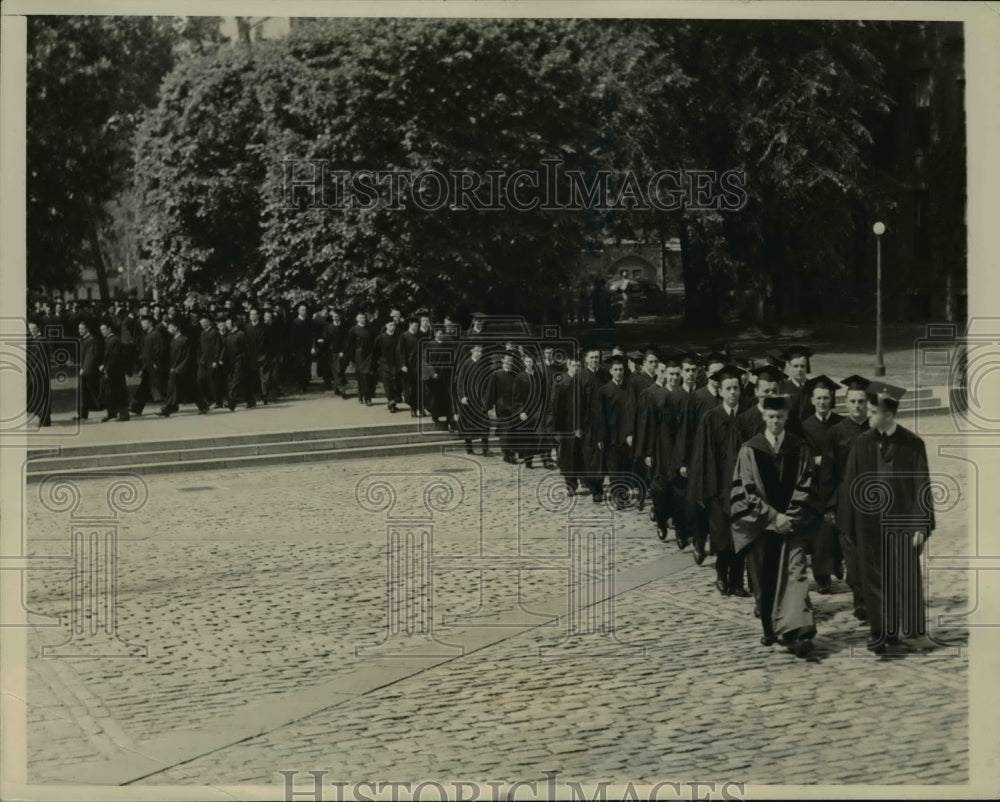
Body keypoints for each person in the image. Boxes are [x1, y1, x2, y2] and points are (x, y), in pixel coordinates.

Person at [837, 381, 935, 654]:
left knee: (903, 577)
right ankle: (882, 633)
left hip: (902, 524)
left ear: (888, 414)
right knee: (875, 579)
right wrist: (849, 525)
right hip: (870, 525)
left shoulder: (913, 444)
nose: (867, 415)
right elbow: (850, 484)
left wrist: (920, 525)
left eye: (872, 411)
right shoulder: (862, 442)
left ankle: (911, 630)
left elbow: (921, 486)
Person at [731, 395, 822, 657]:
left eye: (780, 417)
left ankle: (800, 630)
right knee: (764, 579)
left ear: (786, 418)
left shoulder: (800, 447)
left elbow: (806, 484)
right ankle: (770, 628)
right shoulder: (750, 449)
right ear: (763, 417)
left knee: (796, 575)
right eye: (771, 417)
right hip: (762, 527)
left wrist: (790, 517)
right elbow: (745, 491)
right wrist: (772, 517)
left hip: (792, 526)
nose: (775, 421)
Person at [687, 365, 748, 596]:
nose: (733, 392)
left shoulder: (747, 416)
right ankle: (722, 576)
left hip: (742, 486)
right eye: (728, 388)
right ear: (720, 391)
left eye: (736, 388)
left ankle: (738, 581)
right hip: (718, 488)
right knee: (722, 535)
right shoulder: (711, 418)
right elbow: (702, 456)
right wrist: (705, 490)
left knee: (741, 534)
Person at [821, 375, 872, 620]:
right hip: (845, 502)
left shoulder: (877, 429)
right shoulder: (836, 432)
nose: (857, 406)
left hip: (873, 503)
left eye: (861, 401)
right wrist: (829, 506)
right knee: (851, 552)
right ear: (845, 402)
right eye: (852, 401)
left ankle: (871, 596)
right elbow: (828, 472)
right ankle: (859, 599)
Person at [799, 375, 844, 594]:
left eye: (826, 398)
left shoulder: (841, 423)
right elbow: (802, 455)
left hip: (838, 483)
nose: (822, 402)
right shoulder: (805, 426)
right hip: (815, 486)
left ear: (832, 399)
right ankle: (822, 575)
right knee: (820, 532)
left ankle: (837, 563)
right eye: (818, 398)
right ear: (812, 400)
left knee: (839, 528)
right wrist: (815, 460)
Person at [637, 360, 674, 541]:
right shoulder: (652, 395)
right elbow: (648, 426)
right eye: (663, 370)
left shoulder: (681, 394)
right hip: (659, 447)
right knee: (660, 488)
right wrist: (648, 451)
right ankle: (661, 519)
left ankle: (677, 522)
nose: (666, 374)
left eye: (671, 372)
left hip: (677, 448)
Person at [593, 355, 635, 509]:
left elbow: (633, 412)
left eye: (621, 370)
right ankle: (617, 496)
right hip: (610, 436)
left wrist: (631, 432)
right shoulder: (604, 391)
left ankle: (623, 494)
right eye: (616, 370)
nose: (618, 372)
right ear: (610, 371)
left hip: (626, 435)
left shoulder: (629, 389)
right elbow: (599, 415)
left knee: (625, 466)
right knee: (613, 467)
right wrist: (601, 437)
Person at [158, 318, 209, 416]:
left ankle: (169, 408)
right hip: (176, 369)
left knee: (189, 389)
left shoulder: (184, 340)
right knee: (180, 388)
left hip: (184, 370)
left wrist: (178, 369)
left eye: (170, 327)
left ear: (176, 328)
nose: (169, 329)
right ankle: (170, 408)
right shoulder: (173, 340)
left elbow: (188, 356)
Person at [552, 354, 585, 494]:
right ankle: (570, 484)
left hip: (582, 424)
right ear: (568, 365)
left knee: (581, 454)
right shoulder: (562, 381)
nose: (576, 368)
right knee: (569, 455)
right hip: (567, 425)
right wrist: (557, 430)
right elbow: (556, 407)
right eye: (573, 365)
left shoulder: (583, 380)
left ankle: (583, 479)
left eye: (578, 366)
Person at [579, 348, 606, 502]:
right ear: (586, 359)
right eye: (592, 357)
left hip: (603, 422)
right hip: (587, 423)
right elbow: (575, 403)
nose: (595, 360)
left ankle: (599, 484)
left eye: (597, 357)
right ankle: (596, 488)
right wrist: (577, 426)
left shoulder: (604, 375)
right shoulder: (581, 377)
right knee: (591, 456)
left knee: (601, 455)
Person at [454, 343, 491, 455]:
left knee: (484, 424)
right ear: (472, 352)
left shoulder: (482, 365)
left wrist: (487, 398)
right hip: (469, 400)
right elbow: (460, 382)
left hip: (480, 400)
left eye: (481, 351)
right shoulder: (466, 364)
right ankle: (469, 448)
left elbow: (486, 382)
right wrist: (462, 396)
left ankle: (485, 448)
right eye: (477, 351)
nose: (480, 353)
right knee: (469, 425)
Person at [735, 364, 786, 443]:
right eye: (766, 391)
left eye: (774, 391)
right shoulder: (743, 420)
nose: (771, 395)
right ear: (756, 392)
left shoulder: (788, 418)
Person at [512, 352, 546, 467]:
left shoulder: (539, 376)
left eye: (531, 362)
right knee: (527, 437)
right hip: (526, 412)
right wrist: (521, 411)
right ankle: (528, 461)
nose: (529, 364)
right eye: (527, 362)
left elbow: (542, 393)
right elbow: (516, 397)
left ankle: (541, 459)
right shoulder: (520, 377)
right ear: (524, 362)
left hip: (537, 411)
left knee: (538, 436)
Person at [129, 315, 166, 416]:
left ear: (150, 323)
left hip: (153, 365)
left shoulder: (156, 334)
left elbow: (159, 350)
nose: (143, 325)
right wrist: (143, 366)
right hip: (147, 366)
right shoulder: (146, 335)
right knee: (144, 387)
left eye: (145, 323)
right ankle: (137, 408)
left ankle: (168, 406)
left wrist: (156, 363)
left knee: (158, 386)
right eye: (142, 323)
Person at [490, 350, 520, 463]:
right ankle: (508, 454)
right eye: (507, 360)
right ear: (502, 361)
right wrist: (490, 407)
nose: (509, 363)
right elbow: (491, 391)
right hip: (502, 408)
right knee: (505, 431)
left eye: (511, 361)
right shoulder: (496, 375)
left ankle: (510, 453)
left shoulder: (514, 375)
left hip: (514, 408)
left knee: (512, 431)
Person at [221, 315, 255, 410]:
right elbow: (226, 349)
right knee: (243, 382)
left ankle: (232, 403)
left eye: (228, 323)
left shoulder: (241, 334)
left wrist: (246, 362)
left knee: (235, 382)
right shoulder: (228, 335)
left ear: (233, 323)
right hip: (232, 363)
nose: (226, 325)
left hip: (240, 361)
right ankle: (251, 401)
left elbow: (247, 349)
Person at [777, 346, 814, 434]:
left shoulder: (814, 387)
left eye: (802, 366)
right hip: (790, 436)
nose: (799, 369)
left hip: (812, 435)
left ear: (806, 367)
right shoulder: (781, 388)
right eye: (795, 366)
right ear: (789, 366)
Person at [98, 320, 129, 422]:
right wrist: (104, 365)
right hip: (113, 370)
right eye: (101, 330)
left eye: (104, 329)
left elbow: (114, 358)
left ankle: (124, 415)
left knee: (118, 392)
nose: (102, 331)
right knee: (110, 393)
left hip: (116, 372)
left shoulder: (113, 340)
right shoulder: (109, 340)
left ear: (109, 329)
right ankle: (112, 413)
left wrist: (106, 369)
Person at [346, 312, 376, 406]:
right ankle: (361, 394)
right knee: (361, 377)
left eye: (364, 317)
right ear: (357, 319)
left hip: (369, 356)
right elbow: (350, 345)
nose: (363, 319)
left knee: (369, 377)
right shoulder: (353, 330)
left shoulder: (370, 328)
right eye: (361, 317)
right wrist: (351, 360)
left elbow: (374, 342)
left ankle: (368, 397)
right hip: (359, 356)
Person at [26, 320, 52, 427]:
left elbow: (42, 359)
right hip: (34, 372)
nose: (32, 331)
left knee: (41, 396)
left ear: (38, 329)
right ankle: (44, 419)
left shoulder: (41, 341)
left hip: (40, 373)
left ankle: (45, 420)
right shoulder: (34, 339)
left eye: (34, 329)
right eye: (30, 329)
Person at [74, 320, 102, 421]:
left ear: (87, 329)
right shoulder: (84, 339)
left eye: (82, 329)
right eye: (79, 329)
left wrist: (84, 369)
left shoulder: (91, 340)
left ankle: (112, 410)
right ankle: (82, 414)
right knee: (83, 393)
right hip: (85, 369)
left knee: (91, 393)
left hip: (88, 371)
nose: (80, 331)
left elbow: (90, 357)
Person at [373, 320, 402, 412]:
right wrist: (377, 362)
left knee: (396, 384)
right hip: (384, 364)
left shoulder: (398, 337)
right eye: (390, 325)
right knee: (387, 384)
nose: (392, 327)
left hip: (396, 364)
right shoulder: (380, 338)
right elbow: (375, 352)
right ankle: (391, 402)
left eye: (394, 325)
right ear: (386, 325)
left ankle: (393, 402)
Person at [196, 315, 224, 409]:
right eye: (201, 323)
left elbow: (217, 347)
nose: (202, 324)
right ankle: (209, 400)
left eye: (204, 322)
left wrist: (215, 360)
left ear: (209, 322)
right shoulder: (202, 333)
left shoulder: (214, 333)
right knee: (200, 380)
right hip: (203, 360)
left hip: (212, 360)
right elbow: (199, 347)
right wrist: (199, 359)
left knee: (213, 382)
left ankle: (216, 401)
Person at [397, 318, 422, 416]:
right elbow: (401, 352)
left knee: (419, 387)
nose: (416, 328)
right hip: (409, 365)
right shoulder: (404, 336)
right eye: (414, 326)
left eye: (417, 326)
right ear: (410, 324)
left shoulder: (420, 335)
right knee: (410, 388)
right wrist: (403, 364)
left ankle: (420, 407)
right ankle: (413, 407)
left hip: (419, 364)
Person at [288, 303, 315, 393]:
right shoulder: (295, 322)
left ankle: (305, 383)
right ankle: (301, 385)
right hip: (298, 348)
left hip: (307, 347)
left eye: (305, 310)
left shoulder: (309, 321)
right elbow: (292, 337)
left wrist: (313, 347)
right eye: (302, 310)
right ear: (298, 311)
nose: (304, 311)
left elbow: (312, 335)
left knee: (307, 365)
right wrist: (292, 349)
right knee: (300, 366)